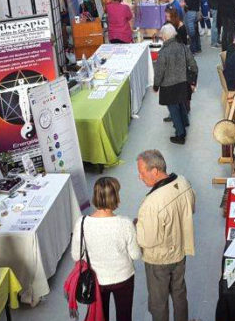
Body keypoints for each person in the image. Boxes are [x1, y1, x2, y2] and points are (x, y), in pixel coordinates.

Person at [135, 150, 195, 321]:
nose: (140, 176)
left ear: (154, 171)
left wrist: (137, 226)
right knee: (179, 294)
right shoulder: (183, 182)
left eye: (141, 172)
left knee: (158, 303)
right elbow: (191, 208)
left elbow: (147, 240)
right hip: (180, 252)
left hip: (159, 261)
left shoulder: (152, 203)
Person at [71, 177, 140, 321]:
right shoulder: (126, 223)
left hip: (96, 280)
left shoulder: (82, 223)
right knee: (124, 316)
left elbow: (76, 256)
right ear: (115, 197)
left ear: (95, 196)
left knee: (101, 317)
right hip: (124, 278)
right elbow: (135, 255)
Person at [154, 24, 197, 144]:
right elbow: (193, 65)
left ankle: (180, 134)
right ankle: (185, 121)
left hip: (169, 86)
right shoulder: (183, 47)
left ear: (165, 37)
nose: (162, 37)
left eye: (162, 35)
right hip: (183, 82)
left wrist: (156, 85)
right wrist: (193, 81)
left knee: (173, 109)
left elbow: (159, 71)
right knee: (181, 102)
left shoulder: (164, 52)